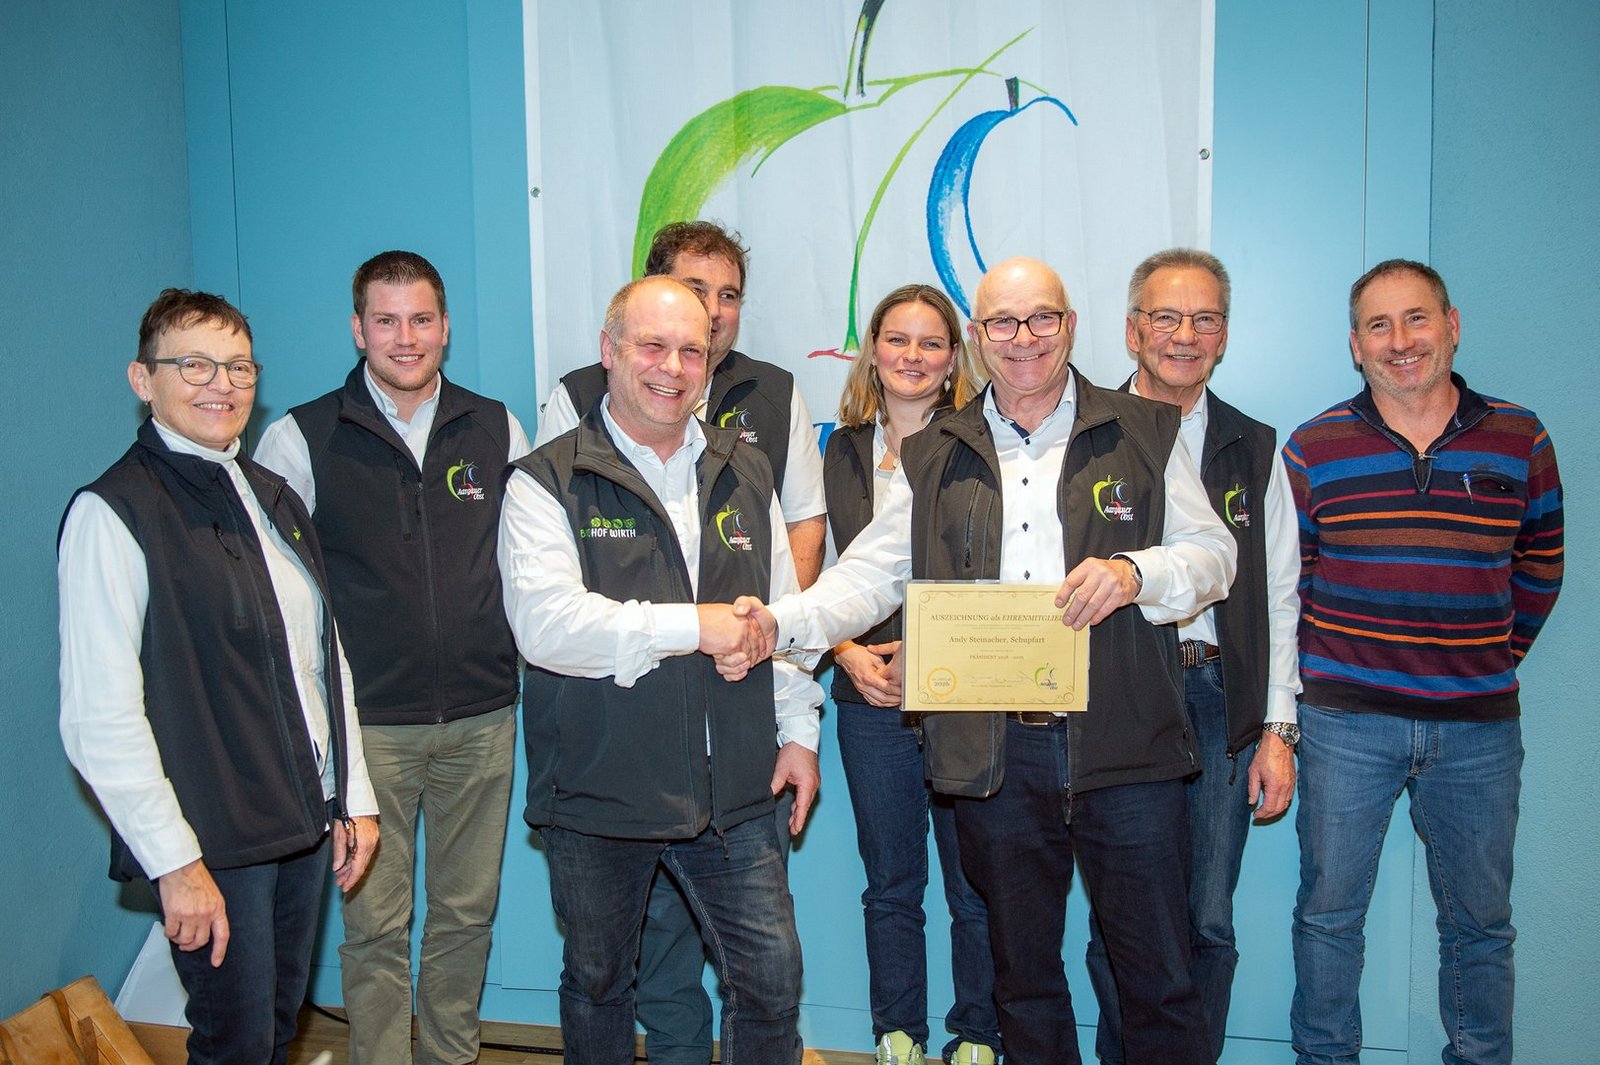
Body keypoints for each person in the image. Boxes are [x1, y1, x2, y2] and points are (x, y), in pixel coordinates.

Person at [754, 256, 1237, 1064]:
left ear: (1070, 325)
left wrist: (1135, 572)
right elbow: (869, 573)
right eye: (1003, 323)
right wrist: (779, 624)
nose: (1024, 338)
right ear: (977, 337)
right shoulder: (937, 450)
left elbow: (1214, 554)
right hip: (997, 753)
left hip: (1128, 745)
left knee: (1158, 974)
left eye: (1042, 317)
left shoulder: (1142, 429)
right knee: (1022, 978)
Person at [500, 275, 821, 1064]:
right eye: (652, 346)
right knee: (600, 983)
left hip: (737, 785)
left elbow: (779, 614)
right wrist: (695, 627)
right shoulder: (545, 479)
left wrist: (798, 731)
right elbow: (547, 627)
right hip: (600, 787)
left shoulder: (747, 470)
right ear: (608, 351)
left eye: (691, 351)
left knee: (771, 982)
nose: (672, 367)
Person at [58, 288, 379, 1065]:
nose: (222, 384)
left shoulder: (272, 497)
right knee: (234, 1044)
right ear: (144, 378)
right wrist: (176, 864)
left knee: (274, 1033)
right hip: (211, 841)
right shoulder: (113, 512)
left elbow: (322, 657)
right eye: (195, 364)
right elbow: (98, 718)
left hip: (301, 823)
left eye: (238, 366)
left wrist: (351, 797)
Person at [1284, 259, 1563, 1065]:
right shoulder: (1313, 446)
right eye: (1379, 325)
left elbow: (1541, 564)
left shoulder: (1520, 436)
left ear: (1451, 325)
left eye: (1416, 318)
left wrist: (1483, 657)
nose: (1400, 341)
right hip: (1344, 725)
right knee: (1328, 917)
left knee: (1480, 925)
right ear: (1355, 344)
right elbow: (1290, 583)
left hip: (1478, 729)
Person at [254, 250, 529, 1065]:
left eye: (420, 319)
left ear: (445, 328)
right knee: (375, 924)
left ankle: (450, 1057)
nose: (404, 338)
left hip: (483, 718)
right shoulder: (299, 438)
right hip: (367, 730)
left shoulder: (496, 427)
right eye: (386, 320)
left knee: (465, 915)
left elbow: (529, 567)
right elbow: (276, 596)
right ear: (358, 329)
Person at [1082, 248, 1301, 1063]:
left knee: (1207, 917)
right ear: (1132, 329)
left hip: (1215, 699)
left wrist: (1278, 727)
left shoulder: (1254, 446)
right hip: (1118, 695)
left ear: (1225, 335)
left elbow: (1281, 593)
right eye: (1166, 317)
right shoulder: (1086, 430)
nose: (1185, 335)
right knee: (1121, 918)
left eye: (1204, 319)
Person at [824, 284, 999, 1065]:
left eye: (931, 342)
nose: (913, 357)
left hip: (964, 693)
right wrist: (846, 652)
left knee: (974, 883)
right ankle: (898, 1033)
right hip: (870, 695)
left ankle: (978, 1034)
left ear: (955, 357)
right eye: (898, 339)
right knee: (891, 881)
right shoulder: (838, 449)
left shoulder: (981, 446)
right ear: (873, 349)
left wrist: (939, 654)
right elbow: (821, 572)